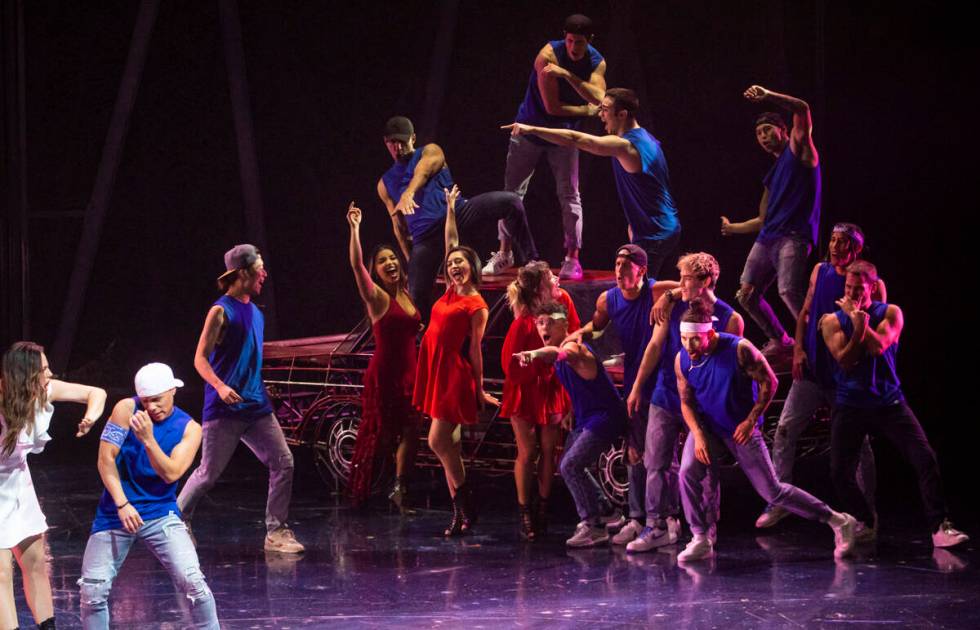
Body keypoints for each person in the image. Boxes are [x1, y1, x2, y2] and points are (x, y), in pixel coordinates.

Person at [675, 300, 856, 562]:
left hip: (740, 428)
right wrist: (699, 435)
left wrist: (751, 420)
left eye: (695, 340)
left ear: (710, 333)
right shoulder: (681, 359)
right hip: (709, 427)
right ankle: (700, 537)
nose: (689, 347)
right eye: (684, 339)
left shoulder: (739, 349)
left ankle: (838, 520)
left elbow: (769, 382)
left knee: (772, 491)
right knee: (687, 471)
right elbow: (686, 402)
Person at [821, 261, 969, 549]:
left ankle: (940, 527)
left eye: (859, 289)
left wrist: (861, 323)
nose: (852, 294)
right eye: (848, 288)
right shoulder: (831, 320)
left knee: (925, 458)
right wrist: (856, 323)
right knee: (839, 471)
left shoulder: (891, 312)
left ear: (873, 288)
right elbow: (845, 360)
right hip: (850, 404)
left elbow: (878, 348)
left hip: (889, 402)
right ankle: (864, 519)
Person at [177, 244, 304, 554]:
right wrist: (220, 387)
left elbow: (248, 359)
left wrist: (260, 385)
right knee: (208, 473)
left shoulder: (256, 313)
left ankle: (276, 531)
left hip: (256, 407)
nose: (264, 274)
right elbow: (200, 359)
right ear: (243, 273)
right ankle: (176, 520)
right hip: (225, 409)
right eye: (259, 268)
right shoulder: (221, 310)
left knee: (283, 462)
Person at [756, 223, 882, 530]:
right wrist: (798, 349)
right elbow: (805, 313)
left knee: (860, 444)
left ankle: (866, 512)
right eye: (834, 240)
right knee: (784, 430)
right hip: (813, 371)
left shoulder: (864, 283)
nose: (837, 246)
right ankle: (779, 499)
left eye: (844, 242)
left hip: (846, 377)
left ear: (856, 249)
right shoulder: (820, 271)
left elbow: (876, 329)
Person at [78, 363, 219, 629]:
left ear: (172, 391)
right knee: (92, 591)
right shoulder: (125, 410)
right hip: (117, 511)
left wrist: (148, 439)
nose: (151, 407)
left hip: (161, 514)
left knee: (194, 583)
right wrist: (122, 503)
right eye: (146, 401)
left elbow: (172, 473)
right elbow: (105, 460)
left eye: (157, 400)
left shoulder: (191, 429)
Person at [625, 252, 743, 553]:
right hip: (666, 394)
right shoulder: (673, 304)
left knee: (703, 468)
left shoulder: (730, 319)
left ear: (705, 281)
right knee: (655, 462)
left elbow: (727, 366)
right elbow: (654, 346)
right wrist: (638, 386)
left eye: (686, 279)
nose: (679, 284)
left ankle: (705, 529)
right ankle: (657, 525)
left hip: (702, 404)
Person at [503, 87, 681, 278]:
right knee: (644, 292)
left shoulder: (626, 146)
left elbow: (574, 138)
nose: (600, 115)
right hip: (662, 228)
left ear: (622, 114)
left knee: (640, 293)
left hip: (655, 234)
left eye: (605, 110)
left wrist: (532, 129)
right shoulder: (645, 137)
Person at [567, 244, 677, 546]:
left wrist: (670, 296)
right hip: (633, 380)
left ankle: (665, 518)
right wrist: (580, 334)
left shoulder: (655, 291)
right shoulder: (609, 299)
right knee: (634, 449)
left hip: (660, 380)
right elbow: (597, 326)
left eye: (625, 265)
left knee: (658, 451)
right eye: (616, 264)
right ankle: (637, 516)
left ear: (641, 270)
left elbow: (690, 286)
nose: (618, 271)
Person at [378, 116, 539, 318]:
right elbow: (398, 226)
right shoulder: (384, 184)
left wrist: (409, 193)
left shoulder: (430, 151)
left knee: (511, 202)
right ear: (386, 143)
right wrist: (410, 260)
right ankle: (427, 339)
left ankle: (532, 261)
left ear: (413, 138)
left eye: (402, 141)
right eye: (392, 142)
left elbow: (423, 172)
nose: (398, 147)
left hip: (459, 215)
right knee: (417, 292)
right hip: (425, 238)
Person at [1, 342, 106, 630]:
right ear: (24, 375)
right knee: (1, 573)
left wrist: (91, 417)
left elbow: (95, 393)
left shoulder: (45, 389)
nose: (49, 374)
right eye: (43, 369)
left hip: (18, 483)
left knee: (34, 562)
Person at [413, 186, 498, 536]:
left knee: (436, 441)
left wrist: (478, 389)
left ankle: (467, 501)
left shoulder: (476, 304)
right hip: (433, 368)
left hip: (452, 375)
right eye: (450, 264)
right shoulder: (449, 291)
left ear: (472, 265)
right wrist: (449, 208)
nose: (453, 266)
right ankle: (459, 516)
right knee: (451, 446)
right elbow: (451, 241)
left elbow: (476, 350)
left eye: (459, 262)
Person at [502, 13, 607, 280]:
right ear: (564, 37)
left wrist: (567, 75)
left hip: (564, 135)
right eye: (570, 41)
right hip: (529, 131)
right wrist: (585, 109)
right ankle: (504, 252)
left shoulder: (596, 61)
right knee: (511, 195)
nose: (573, 48)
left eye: (579, 43)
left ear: (589, 41)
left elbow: (600, 98)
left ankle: (572, 258)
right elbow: (553, 108)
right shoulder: (547, 57)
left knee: (570, 195)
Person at [515, 301, 628, 548]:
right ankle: (608, 512)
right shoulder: (559, 350)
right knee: (568, 464)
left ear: (564, 324)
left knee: (571, 466)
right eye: (539, 322)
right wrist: (568, 409)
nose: (543, 327)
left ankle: (594, 525)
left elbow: (561, 354)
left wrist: (534, 354)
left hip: (606, 417)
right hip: (586, 416)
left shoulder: (573, 349)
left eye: (549, 322)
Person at [721, 85, 821, 362]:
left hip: (794, 236)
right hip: (768, 238)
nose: (763, 136)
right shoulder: (772, 176)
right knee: (746, 294)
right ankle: (782, 340)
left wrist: (768, 96)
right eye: (758, 133)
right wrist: (733, 228)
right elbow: (763, 219)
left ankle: (820, 340)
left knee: (788, 290)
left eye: (767, 130)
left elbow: (802, 108)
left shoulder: (799, 151)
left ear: (784, 130)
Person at [346, 203, 421, 510]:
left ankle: (399, 488)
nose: (389, 263)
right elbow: (356, 266)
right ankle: (365, 488)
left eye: (392, 258)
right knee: (383, 434)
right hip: (386, 374)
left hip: (411, 372)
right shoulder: (377, 297)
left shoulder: (406, 293)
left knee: (412, 430)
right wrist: (354, 229)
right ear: (375, 270)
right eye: (381, 261)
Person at [499, 260, 581, 539]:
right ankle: (524, 512)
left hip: (552, 386)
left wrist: (570, 396)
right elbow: (509, 366)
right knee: (527, 451)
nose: (556, 279)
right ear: (538, 290)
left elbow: (574, 341)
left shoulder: (564, 303)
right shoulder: (524, 322)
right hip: (525, 389)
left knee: (549, 450)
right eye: (550, 278)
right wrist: (538, 365)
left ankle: (543, 508)